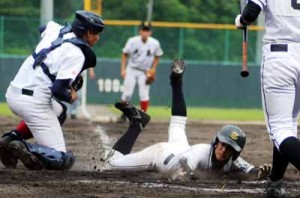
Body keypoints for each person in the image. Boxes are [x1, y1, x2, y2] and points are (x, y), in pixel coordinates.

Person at [102, 60, 270, 180]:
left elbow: (250, 170)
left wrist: (260, 172)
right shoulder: (201, 152)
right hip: (160, 155)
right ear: (216, 141)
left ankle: (175, 83)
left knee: (178, 123)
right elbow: (184, 166)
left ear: (235, 153)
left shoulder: (232, 160)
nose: (224, 150)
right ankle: (136, 125)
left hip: (181, 147)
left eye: (229, 148)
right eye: (223, 144)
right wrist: (188, 174)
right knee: (110, 164)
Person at [2, 10, 104, 170]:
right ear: (87, 32)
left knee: (60, 111)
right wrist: (71, 96)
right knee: (63, 160)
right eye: (96, 34)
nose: (97, 38)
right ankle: (20, 147)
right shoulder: (77, 54)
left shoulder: (56, 29)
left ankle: (9, 139)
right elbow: (58, 90)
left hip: (13, 93)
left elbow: (43, 28)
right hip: (34, 103)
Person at [235, 1, 300, 197]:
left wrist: (241, 20)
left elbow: (251, 12)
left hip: (280, 58)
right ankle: (275, 183)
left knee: (280, 129)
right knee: (287, 125)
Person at [118, 21, 163, 122]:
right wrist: (123, 69)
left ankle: (142, 116)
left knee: (144, 94)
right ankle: (124, 115)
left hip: (145, 72)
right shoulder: (132, 41)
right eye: (143, 30)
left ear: (150, 32)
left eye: (147, 30)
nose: (145, 32)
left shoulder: (155, 43)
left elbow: (158, 55)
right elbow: (124, 54)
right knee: (127, 94)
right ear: (139, 31)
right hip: (132, 70)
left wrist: (153, 68)